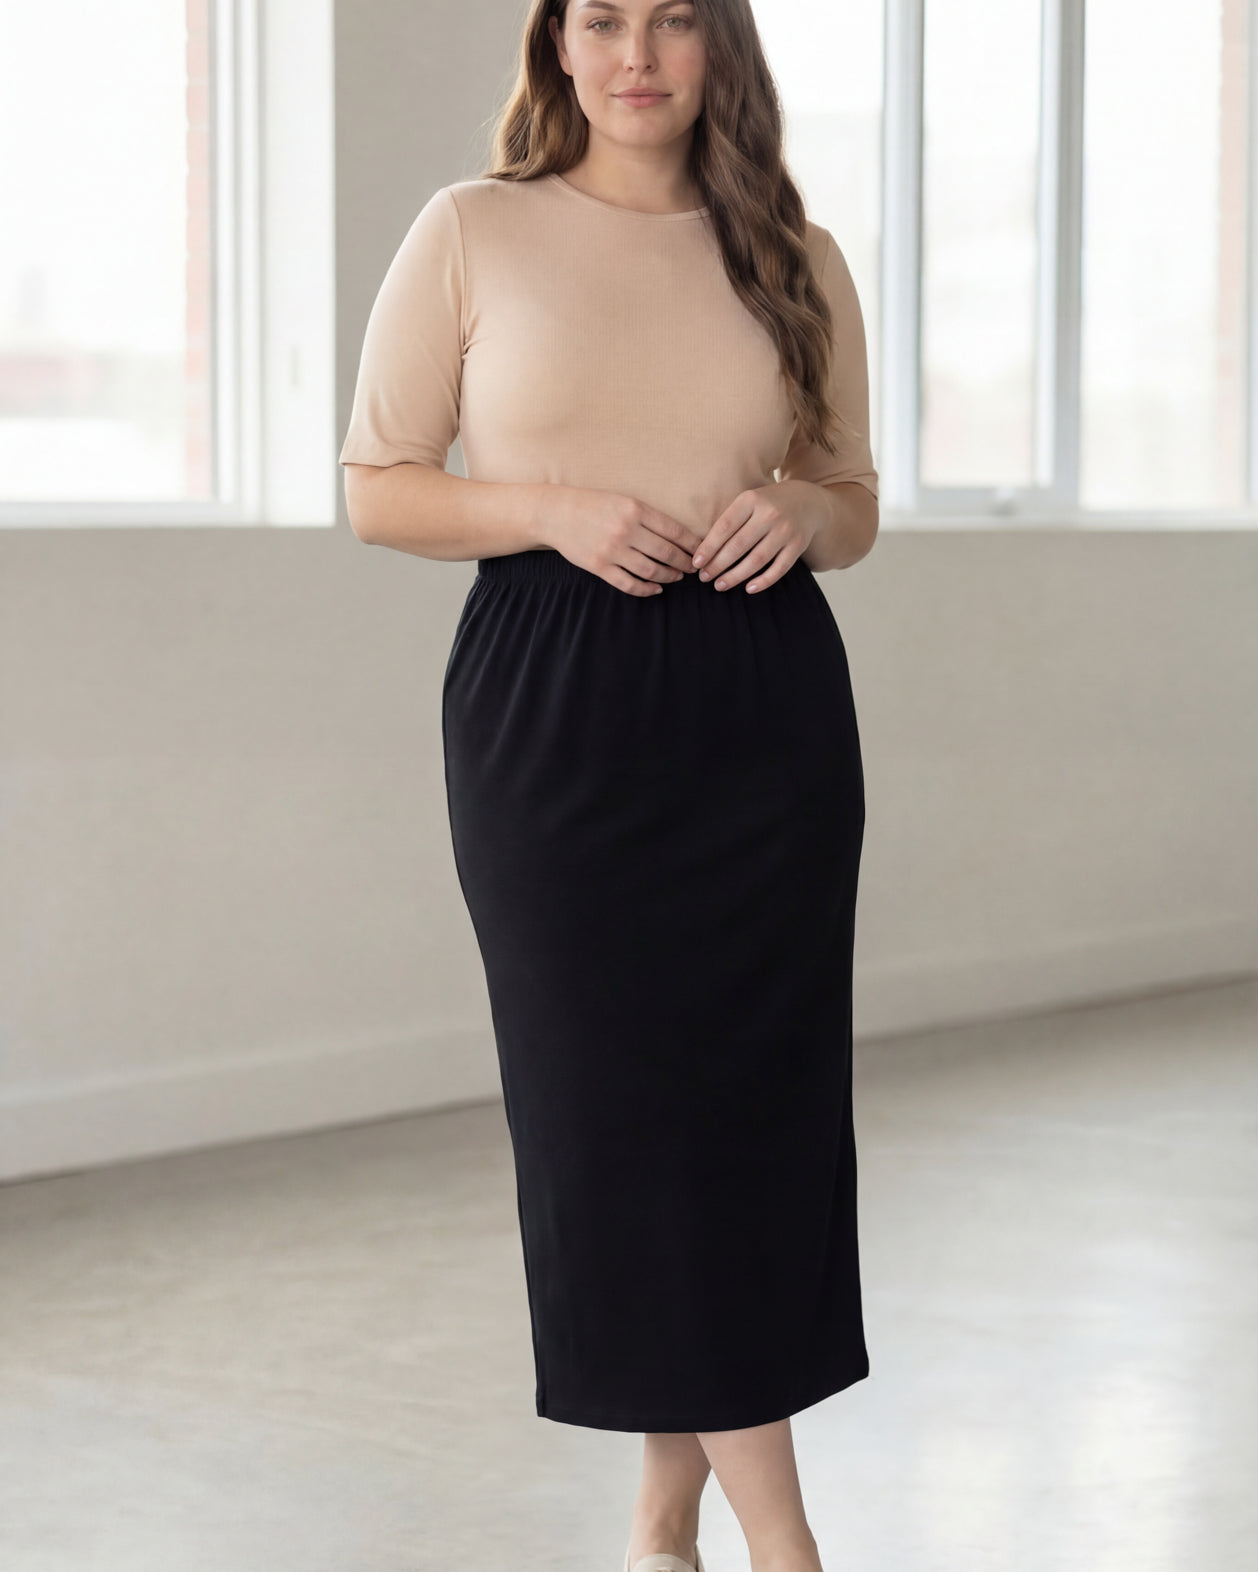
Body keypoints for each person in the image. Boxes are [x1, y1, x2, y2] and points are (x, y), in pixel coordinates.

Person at [339, 3, 880, 1569]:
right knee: (617, 1113)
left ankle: (662, 1519)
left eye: (671, 19)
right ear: (558, 48)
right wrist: (552, 514)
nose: (636, 51)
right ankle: (785, 1543)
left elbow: (851, 499)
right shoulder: (471, 231)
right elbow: (378, 487)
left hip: (762, 705)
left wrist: (800, 516)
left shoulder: (795, 254)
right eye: (602, 18)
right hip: (554, 704)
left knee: (747, 1117)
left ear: (718, 48)